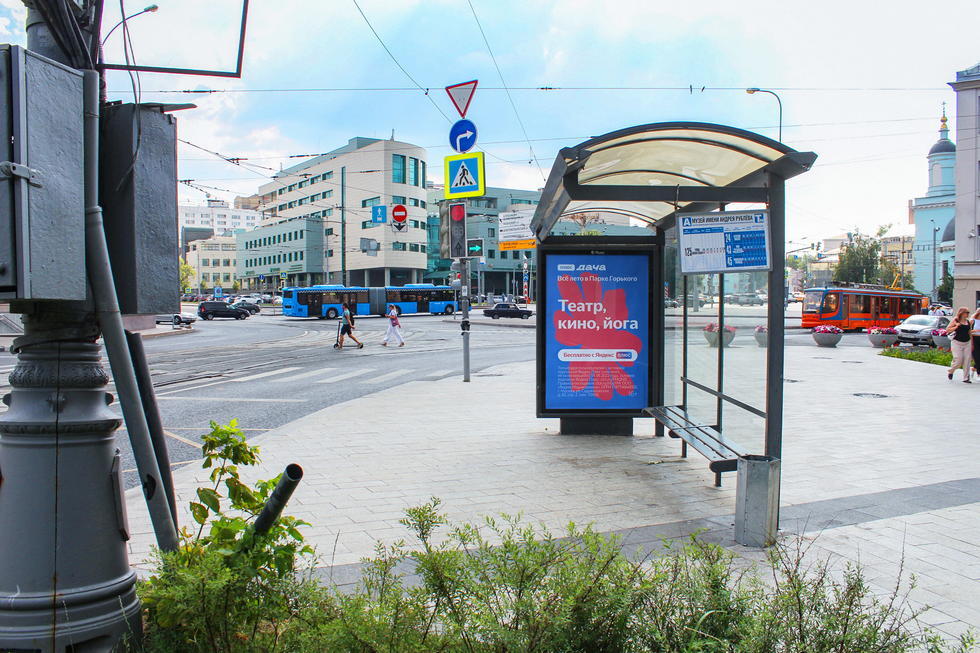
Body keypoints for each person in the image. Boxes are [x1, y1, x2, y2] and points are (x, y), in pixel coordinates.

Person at [945, 307, 972, 382]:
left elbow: (969, 332)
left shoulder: (968, 322)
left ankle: (966, 378)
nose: (968, 314)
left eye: (968, 313)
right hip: (956, 343)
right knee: (958, 360)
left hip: (967, 343)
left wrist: (972, 342)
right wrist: (956, 326)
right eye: (967, 312)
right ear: (962, 313)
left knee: (967, 361)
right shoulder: (955, 320)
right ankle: (951, 371)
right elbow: (947, 330)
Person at [971, 308, 980, 379]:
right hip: (975, 338)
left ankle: (974, 368)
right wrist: (976, 330)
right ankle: (979, 374)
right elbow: (968, 330)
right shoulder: (973, 320)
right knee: (977, 356)